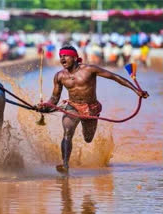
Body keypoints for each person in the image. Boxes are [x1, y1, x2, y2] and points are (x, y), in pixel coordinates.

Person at [36, 45, 149, 173]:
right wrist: (45, 106)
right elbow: (54, 98)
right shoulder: (59, 76)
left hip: (91, 108)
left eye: (65, 56)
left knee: (88, 139)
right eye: (61, 56)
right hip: (72, 107)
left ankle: (79, 157)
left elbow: (115, 77)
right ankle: (65, 164)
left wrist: (136, 90)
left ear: (74, 57)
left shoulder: (90, 70)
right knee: (67, 133)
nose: (62, 59)